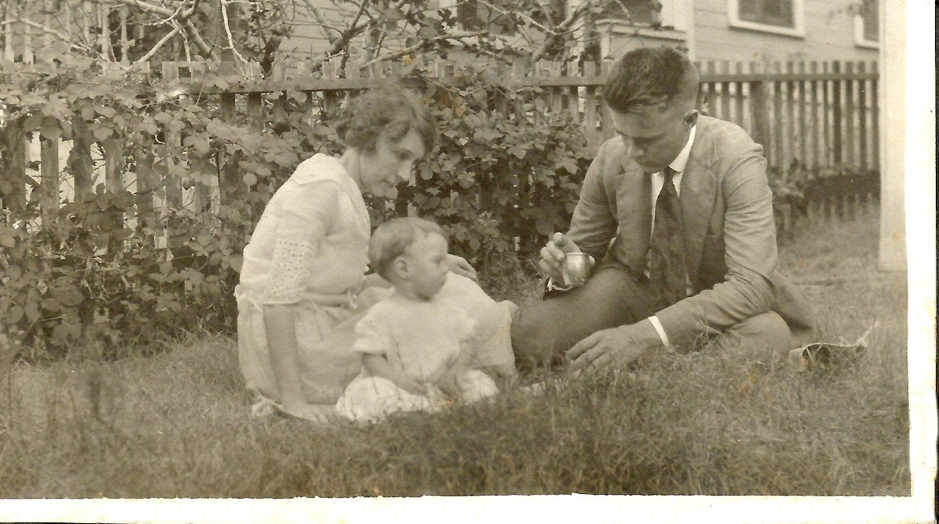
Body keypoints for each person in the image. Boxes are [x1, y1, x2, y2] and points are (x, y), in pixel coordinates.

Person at [511, 47, 816, 374]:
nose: (632, 152)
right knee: (529, 334)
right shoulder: (612, 157)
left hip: (714, 304)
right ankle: (658, 365)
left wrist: (641, 336)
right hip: (634, 291)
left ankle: (638, 365)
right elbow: (584, 251)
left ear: (689, 120)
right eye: (623, 135)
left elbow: (751, 286)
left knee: (768, 335)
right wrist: (569, 271)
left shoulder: (736, 157)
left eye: (647, 140)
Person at [235, 87, 476, 423]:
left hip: (318, 324)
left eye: (413, 162)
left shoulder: (341, 185)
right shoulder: (320, 190)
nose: (405, 174)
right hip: (298, 348)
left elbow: (337, 285)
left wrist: (426, 265)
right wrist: (295, 402)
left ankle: (490, 355)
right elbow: (277, 300)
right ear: (367, 138)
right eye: (400, 155)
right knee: (422, 321)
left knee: (431, 292)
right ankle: (487, 370)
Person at [336, 217, 517, 422]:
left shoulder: (448, 307)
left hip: (444, 381)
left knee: (479, 384)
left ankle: (443, 406)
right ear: (404, 268)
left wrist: (457, 371)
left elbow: (468, 341)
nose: (445, 268)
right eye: (437, 261)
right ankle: (411, 412)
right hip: (403, 384)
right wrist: (398, 380)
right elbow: (371, 358)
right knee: (374, 390)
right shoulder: (382, 314)